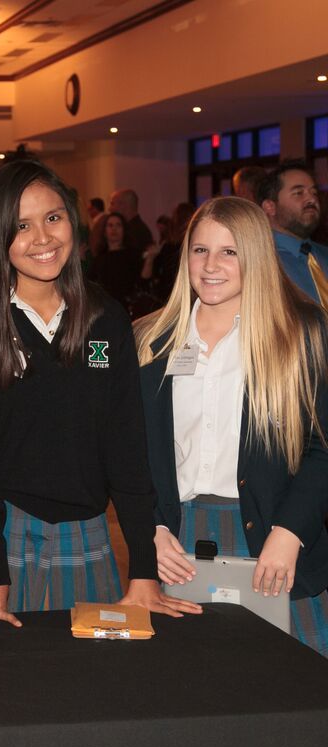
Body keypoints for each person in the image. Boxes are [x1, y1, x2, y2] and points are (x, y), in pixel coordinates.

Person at [0, 158, 198, 629]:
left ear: (73, 223)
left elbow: (126, 446)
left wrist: (143, 569)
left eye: (53, 218)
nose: (43, 238)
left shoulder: (104, 317)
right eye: (22, 225)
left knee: (85, 689)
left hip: (84, 533)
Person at [136, 196, 328, 656]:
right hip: (177, 540)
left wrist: (291, 532)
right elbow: (130, 450)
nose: (211, 265)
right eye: (200, 250)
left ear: (255, 256)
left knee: (292, 694)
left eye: (229, 251)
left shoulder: (302, 333)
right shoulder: (149, 339)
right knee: (194, 690)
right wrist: (150, 528)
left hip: (273, 532)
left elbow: (321, 448)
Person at [259, 160, 328, 307]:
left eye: (314, 192)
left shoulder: (324, 255)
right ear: (270, 207)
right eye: (298, 193)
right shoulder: (260, 263)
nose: (311, 199)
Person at [87, 211, 143, 312]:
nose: (114, 229)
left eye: (118, 225)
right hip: (106, 310)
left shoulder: (133, 254)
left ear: (124, 230)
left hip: (130, 309)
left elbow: (142, 282)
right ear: (104, 232)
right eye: (110, 225)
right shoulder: (99, 258)